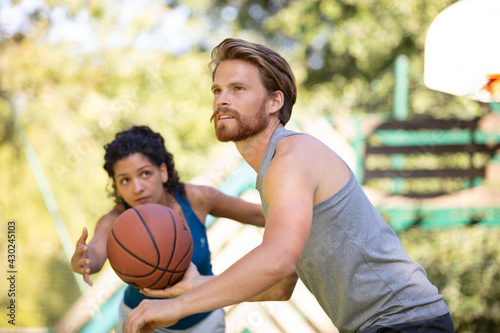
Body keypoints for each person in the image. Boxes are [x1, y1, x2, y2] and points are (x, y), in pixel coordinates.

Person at [124, 39, 455, 333]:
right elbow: (281, 285)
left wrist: (174, 307)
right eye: (217, 90)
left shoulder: (291, 158)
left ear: (274, 102)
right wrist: (196, 287)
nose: (222, 99)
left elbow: (277, 259)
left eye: (238, 89)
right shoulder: (272, 171)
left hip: (405, 322)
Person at [71, 125, 265, 333]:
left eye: (145, 174)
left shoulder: (196, 199)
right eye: (125, 180)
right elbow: (96, 253)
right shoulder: (114, 221)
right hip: (143, 321)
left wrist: (298, 215)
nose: (137, 188)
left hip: (204, 320)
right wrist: (84, 259)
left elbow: (259, 215)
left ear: (162, 171)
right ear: (117, 187)